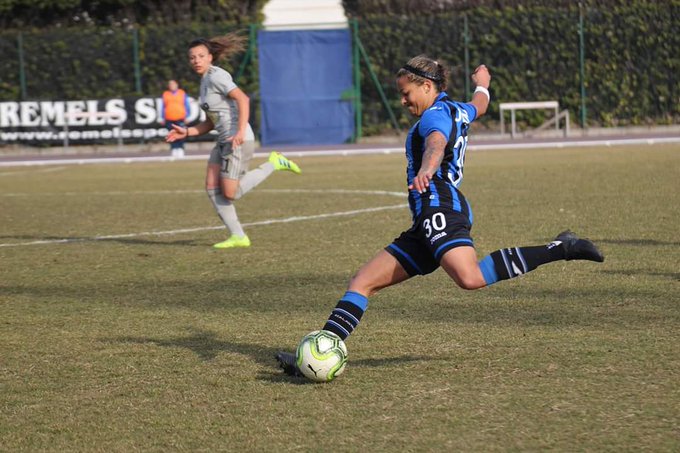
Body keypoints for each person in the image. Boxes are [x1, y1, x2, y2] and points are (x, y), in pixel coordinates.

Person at [275, 55, 604, 376]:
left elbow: (436, 142)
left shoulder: (434, 116)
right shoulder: (457, 108)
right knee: (362, 282)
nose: (403, 101)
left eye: (406, 93)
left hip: (440, 206)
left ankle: (563, 247)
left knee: (470, 277)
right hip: (426, 219)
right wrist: (484, 85)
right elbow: (480, 105)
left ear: (427, 86)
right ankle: (318, 352)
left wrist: (427, 169)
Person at [167, 33, 301, 249]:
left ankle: (274, 163)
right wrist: (188, 132)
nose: (196, 60)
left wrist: (239, 132)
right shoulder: (204, 82)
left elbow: (243, 99)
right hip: (222, 140)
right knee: (211, 186)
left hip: (237, 140)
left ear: (210, 57)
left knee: (230, 193)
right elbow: (211, 121)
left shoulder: (217, 76)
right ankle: (238, 236)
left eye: (201, 56)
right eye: (192, 57)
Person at [161, 79, 190, 158]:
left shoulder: (182, 93)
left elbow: (186, 105)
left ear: (177, 85)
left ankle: (180, 149)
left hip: (180, 117)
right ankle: (174, 149)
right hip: (169, 118)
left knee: (181, 134)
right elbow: (163, 107)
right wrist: (162, 117)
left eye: (173, 84)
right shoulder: (166, 94)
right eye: (170, 84)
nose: (171, 86)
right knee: (171, 134)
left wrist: (187, 116)